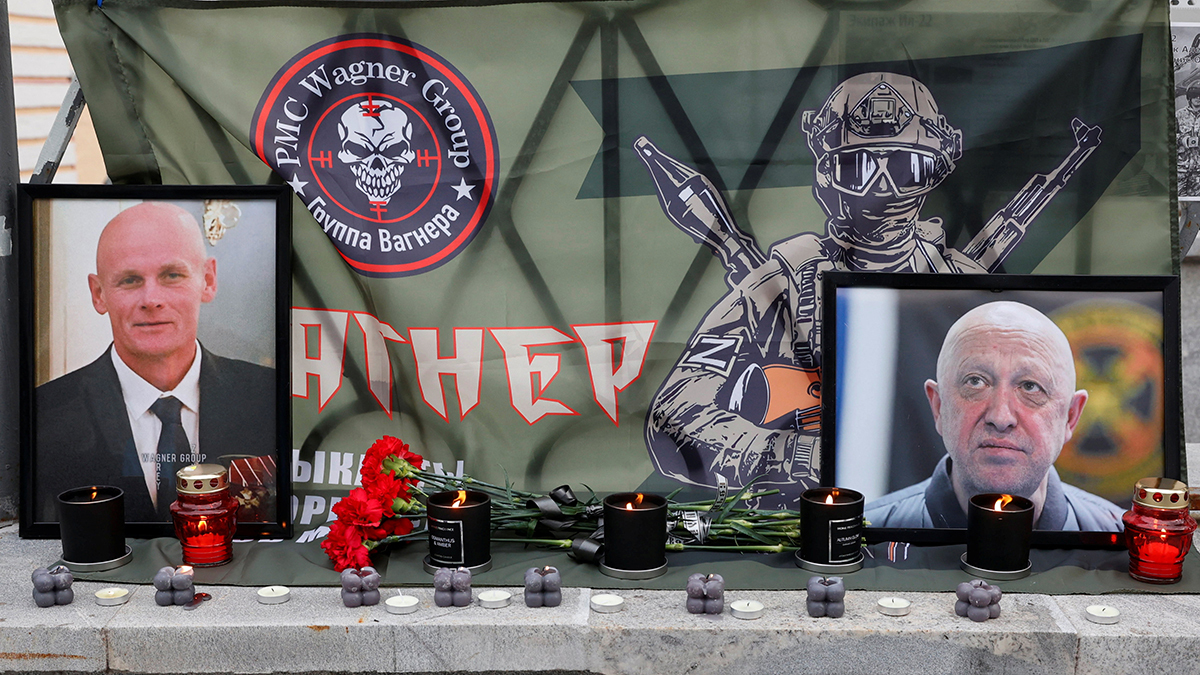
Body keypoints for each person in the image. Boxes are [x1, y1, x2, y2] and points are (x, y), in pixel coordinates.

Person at [637, 72, 1100, 506]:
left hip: (935, 517)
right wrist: (791, 453)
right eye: (858, 168)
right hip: (805, 520)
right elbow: (672, 419)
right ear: (827, 175)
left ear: (935, 172)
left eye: (906, 167)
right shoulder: (780, 282)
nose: (885, 188)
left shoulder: (962, 285)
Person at [35, 202, 276, 524]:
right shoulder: (43, 416)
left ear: (208, 280)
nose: (151, 299)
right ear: (98, 293)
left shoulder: (270, 398)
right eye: (130, 280)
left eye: (172, 275)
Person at [864, 301, 1126, 531]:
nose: (1001, 417)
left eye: (1030, 386)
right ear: (939, 406)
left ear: (1070, 416)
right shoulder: (862, 542)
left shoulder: (1124, 548)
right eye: (975, 382)